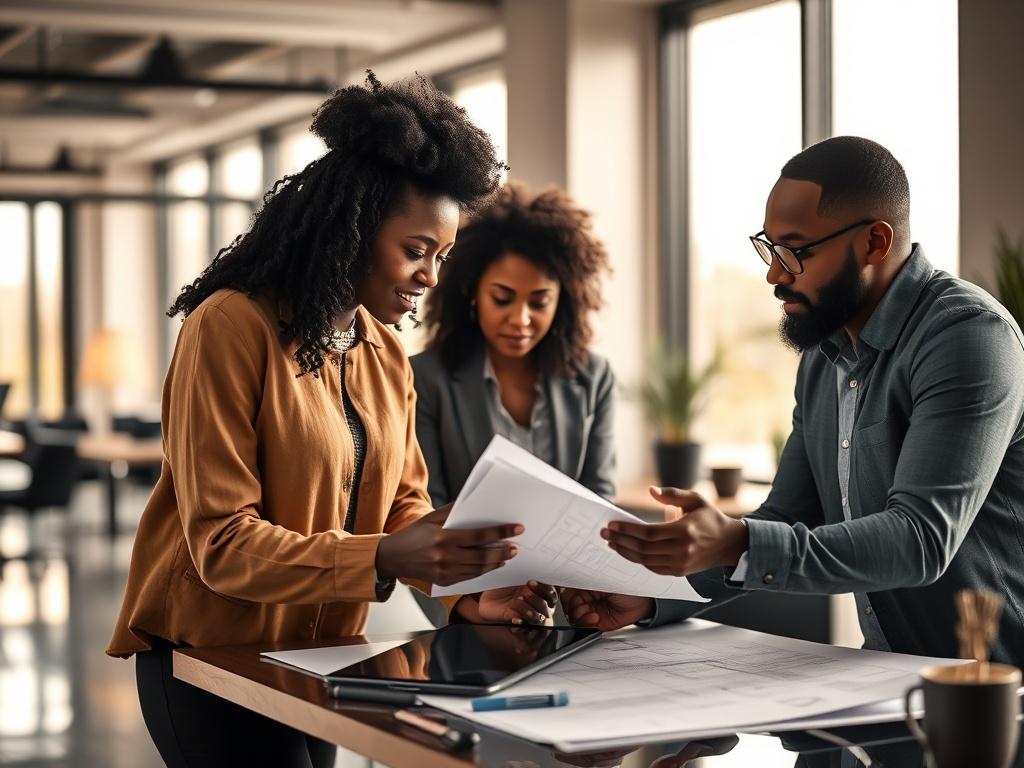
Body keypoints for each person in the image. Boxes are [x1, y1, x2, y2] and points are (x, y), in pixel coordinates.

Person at [107, 74, 554, 768]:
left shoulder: (384, 354)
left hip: (323, 662)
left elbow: (406, 509)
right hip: (209, 658)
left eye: (441, 256)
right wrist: (378, 556)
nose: (431, 277)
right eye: (415, 250)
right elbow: (220, 542)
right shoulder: (230, 326)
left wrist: (471, 597)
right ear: (351, 229)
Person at [567, 136, 1024, 669]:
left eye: (795, 251)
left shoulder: (968, 336)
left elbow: (920, 538)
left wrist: (737, 540)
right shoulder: (823, 358)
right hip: (887, 680)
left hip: (995, 695)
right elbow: (787, 514)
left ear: (876, 242)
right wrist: (649, 598)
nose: (774, 274)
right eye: (769, 249)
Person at [409, 182, 614, 624]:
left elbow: (599, 500)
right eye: (502, 298)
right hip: (469, 607)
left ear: (564, 301)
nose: (520, 320)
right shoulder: (424, 379)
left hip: (570, 606)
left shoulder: (593, 378)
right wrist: (470, 607)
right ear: (472, 292)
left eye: (539, 302)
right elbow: (424, 513)